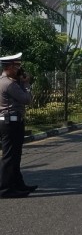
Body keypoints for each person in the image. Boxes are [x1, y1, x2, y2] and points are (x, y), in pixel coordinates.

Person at [0, 52, 37, 198]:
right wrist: (26, 84)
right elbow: (26, 99)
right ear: (8, 67)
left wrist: (21, 82)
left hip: (11, 121)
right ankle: (5, 189)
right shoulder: (9, 84)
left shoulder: (6, 81)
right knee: (10, 157)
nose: (19, 70)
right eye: (16, 67)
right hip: (10, 122)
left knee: (15, 156)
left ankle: (17, 184)